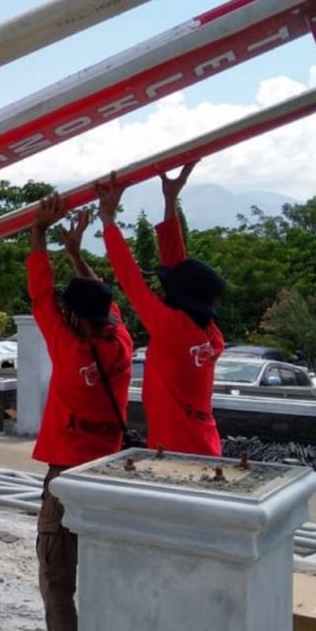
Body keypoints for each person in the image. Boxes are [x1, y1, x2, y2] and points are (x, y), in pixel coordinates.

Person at [26, 198, 134, 631]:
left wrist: (38, 232)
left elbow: (40, 292)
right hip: (109, 473)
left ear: (71, 318)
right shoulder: (122, 346)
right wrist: (74, 251)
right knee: (106, 578)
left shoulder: (67, 349)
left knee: (58, 586)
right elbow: (99, 295)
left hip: (67, 478)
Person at [96, 163, 226, 456]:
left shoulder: (171, 327)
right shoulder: (209, 333)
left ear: (179, 298)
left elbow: (131, 279)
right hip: (204, 445)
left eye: (164, 287)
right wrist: (170, 201)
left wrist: (107, 219)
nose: (157, 289)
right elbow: (179, 269)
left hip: (178, 454)